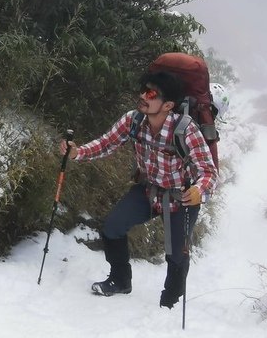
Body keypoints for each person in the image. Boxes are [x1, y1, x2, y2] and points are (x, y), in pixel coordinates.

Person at [61, 70, 218, 308]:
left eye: (151, 93)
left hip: (181, 197)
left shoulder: (185, 130)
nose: (144, 95)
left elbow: (208, 171)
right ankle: (120, 280)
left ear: (168, 105)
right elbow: (106, 143)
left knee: (176, 254)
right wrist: (77, 152)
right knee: (113, 228)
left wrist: (199, 190)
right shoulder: (133, 120)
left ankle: (170, 302)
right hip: (149, 190)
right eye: (144, 89)